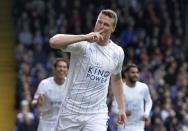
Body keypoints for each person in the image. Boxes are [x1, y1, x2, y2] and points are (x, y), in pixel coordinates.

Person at [49, 9, 126, 131]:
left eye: (106, 24)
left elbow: (116, 79)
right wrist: (84, 37)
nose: (101, 26)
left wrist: (121, 108)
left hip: (97, 114)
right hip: (70, 111)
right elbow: (53, 42)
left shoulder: (118, 52)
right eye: (99, 22)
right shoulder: (82, 44)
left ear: (113, 28)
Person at [111, 63, 153, 131]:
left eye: (137, 72)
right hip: (124, 127)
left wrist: (146, 113)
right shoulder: (120, 89)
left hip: (139, 127)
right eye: (132, 72)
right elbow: (113, 109)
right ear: (126, 74)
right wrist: (123, 112)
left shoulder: (143, 87)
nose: (135, 75)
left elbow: (149, 101)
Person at [32, 58, 68, 131]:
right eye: (59, 66)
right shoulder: (44, 84)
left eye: (64, 67)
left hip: (64, 125)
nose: (62, 69)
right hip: (46, 125)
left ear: (67, 70)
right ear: (54, 69)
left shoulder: (70, 84)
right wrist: (38, 102)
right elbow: (34, 102)